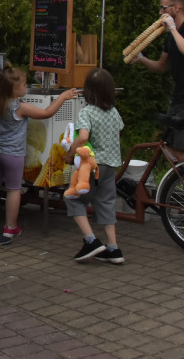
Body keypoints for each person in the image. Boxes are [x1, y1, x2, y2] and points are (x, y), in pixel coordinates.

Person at [0, 66, 78, 245]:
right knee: (14, 189)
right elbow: (47, 113)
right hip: (14, 155)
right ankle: (10, 227)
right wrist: (63, 97)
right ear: (15, 89)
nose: (27, 86)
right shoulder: (20, 106)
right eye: (24, 84)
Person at [132, 0, 184, 155]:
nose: (160, 13)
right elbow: (161, 66)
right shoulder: (169, 38)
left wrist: (173, 29)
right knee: (171, 148)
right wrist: (141, 58)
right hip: (177, 98)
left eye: (163, 8)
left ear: (177, 8)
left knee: (183, 151)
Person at [62, 68, 125, 264]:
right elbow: (119, 132)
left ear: (88, 91)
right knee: (106, 202)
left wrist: (70, 152)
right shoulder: (114, 112)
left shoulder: (87, 112)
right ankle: (113, 249)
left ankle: (91, 241)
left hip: (93, 164)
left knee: (73, 197)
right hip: (112, 164)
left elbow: (83, 137)